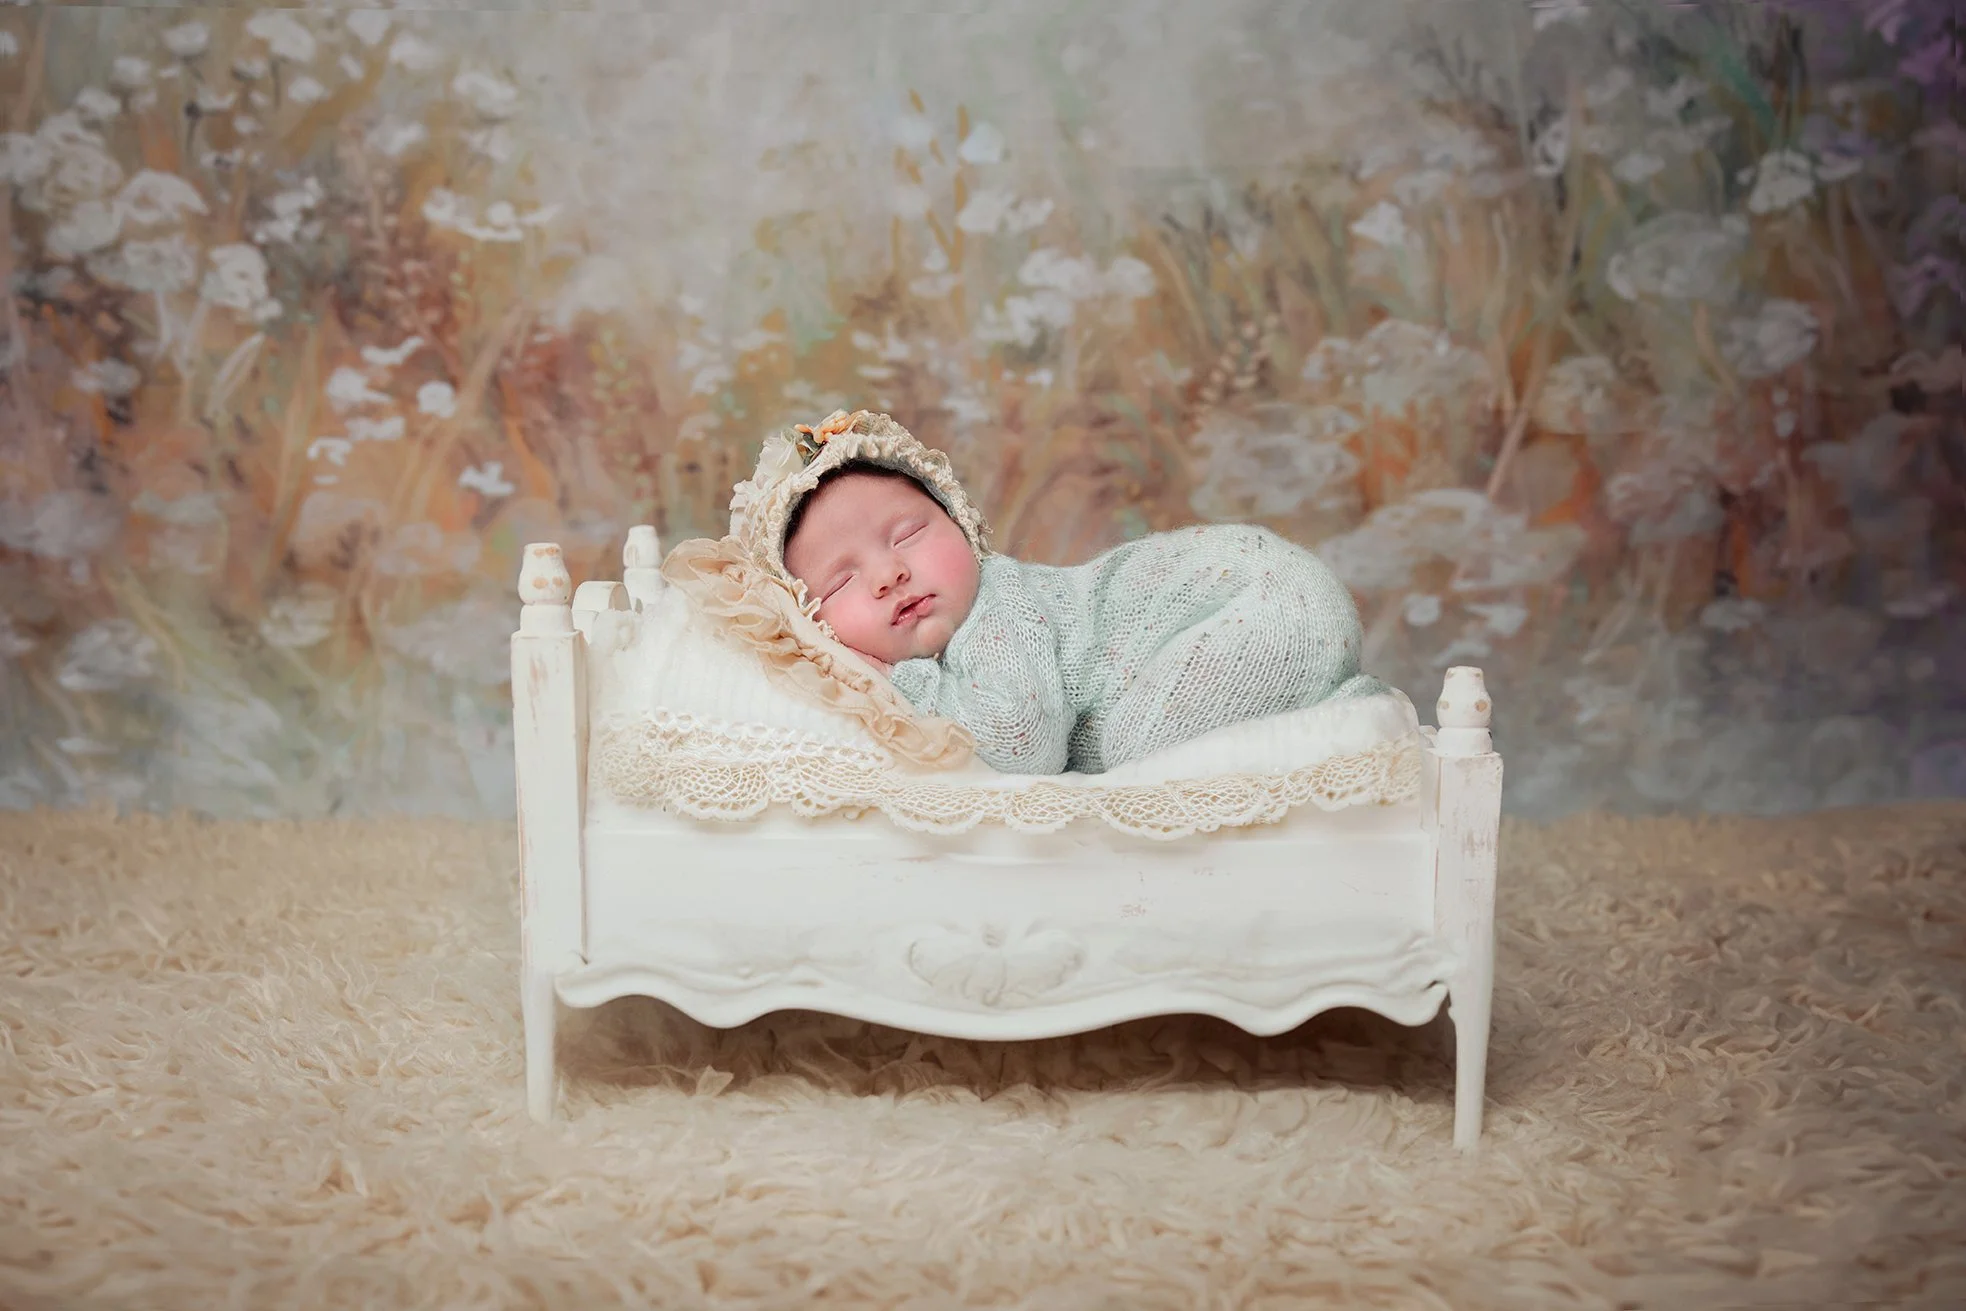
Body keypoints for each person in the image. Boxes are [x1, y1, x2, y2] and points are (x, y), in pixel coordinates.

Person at [737, 409, 1384, 775]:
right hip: (1262, 597)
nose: (887, 574)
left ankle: (1353, 719)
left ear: (963, 526)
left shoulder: (1000, 606)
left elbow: (1024, 746)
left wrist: (899, 681)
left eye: (907, 534)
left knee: (1135, 758)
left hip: (1262, 598)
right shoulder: (964, 638)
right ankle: (1335, 711)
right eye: (844, 579)